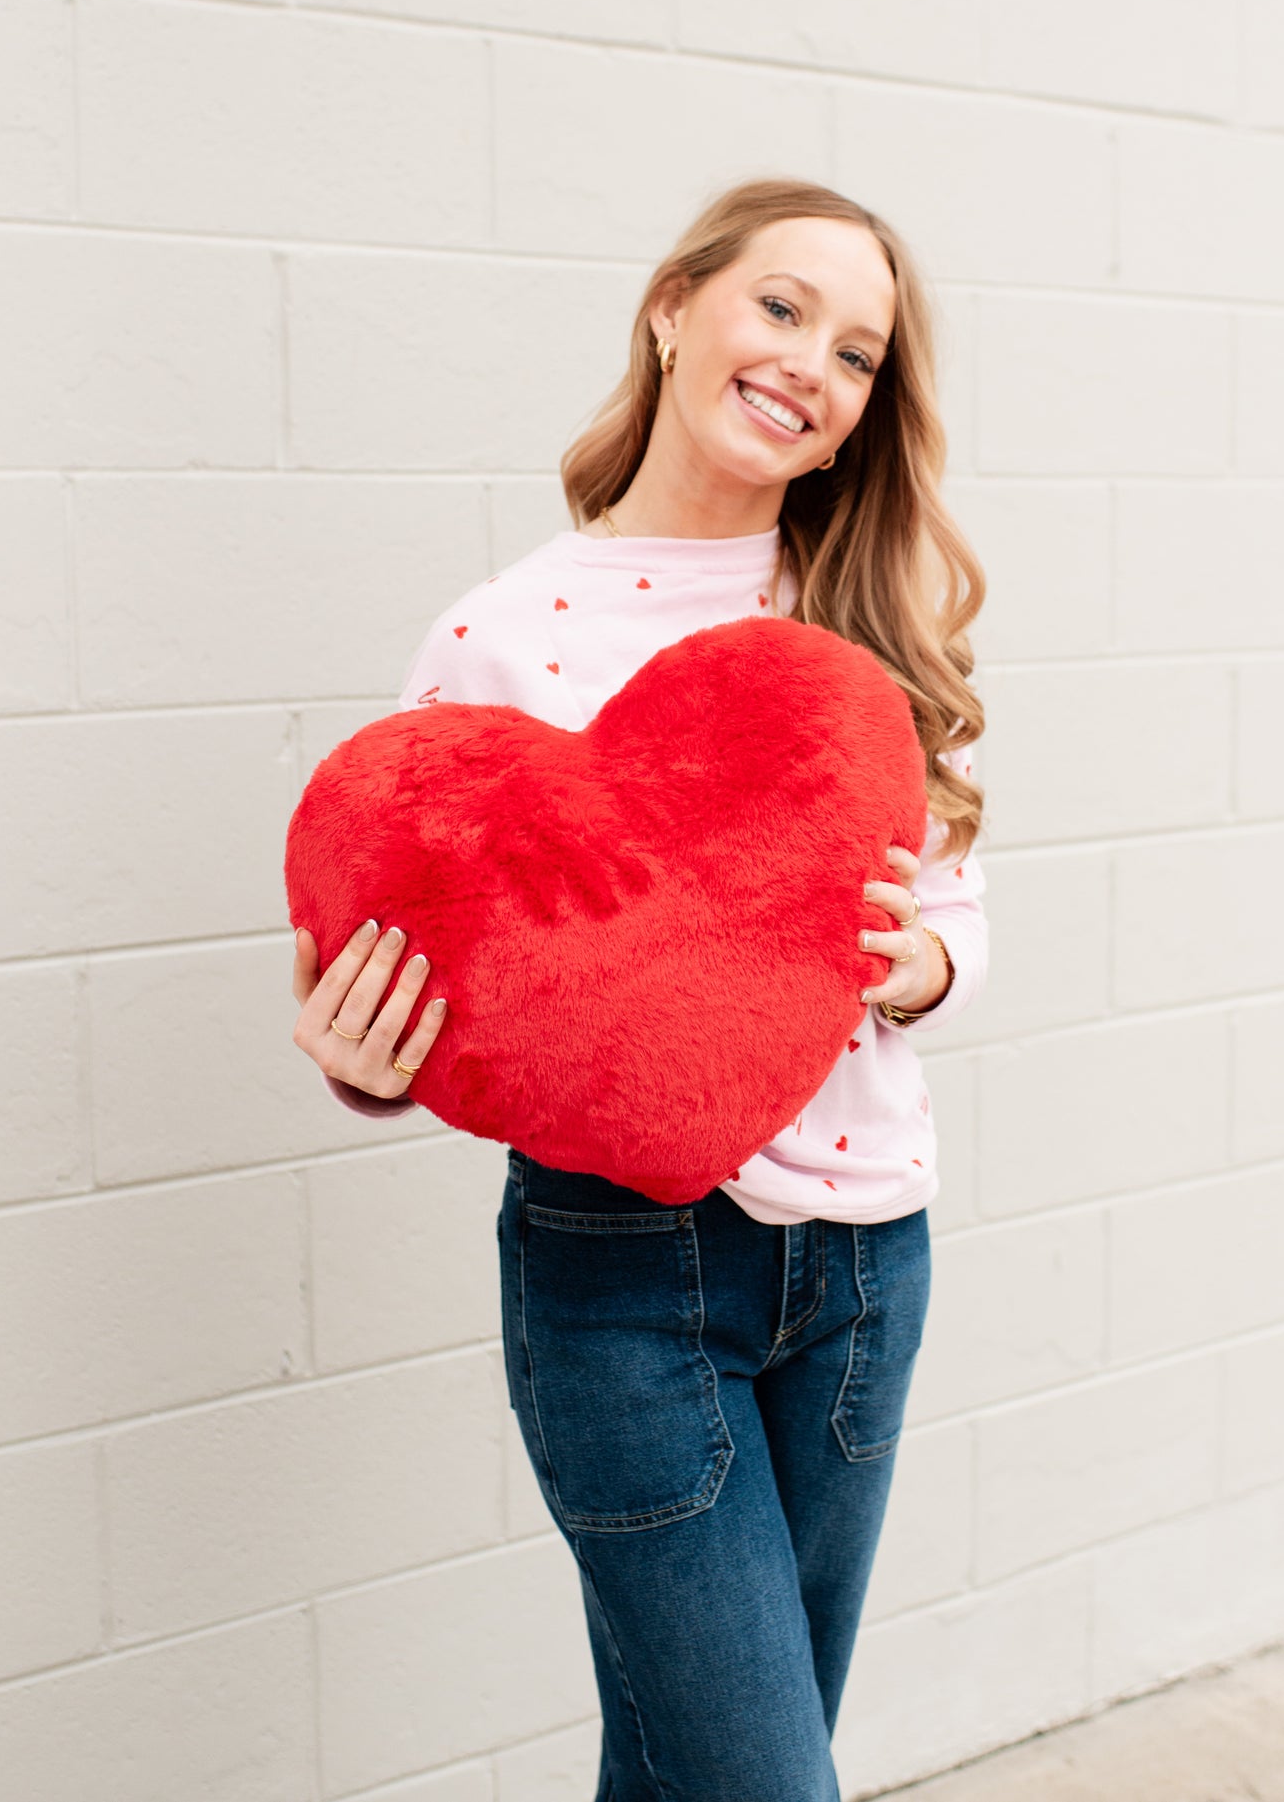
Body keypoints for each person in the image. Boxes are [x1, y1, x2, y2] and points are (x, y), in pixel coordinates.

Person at [291, 175, 989, 1800]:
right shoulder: (496, 639)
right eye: (780, 305)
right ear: (673, 307)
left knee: (687, 1768)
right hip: (623, 1278)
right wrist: (358, 1053)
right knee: (760, 1779)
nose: (814, 360)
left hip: (869, 1263)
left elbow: (961, 924)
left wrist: (920, 959)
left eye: (860, 350)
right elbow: (415, 953)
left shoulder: (868, 620)